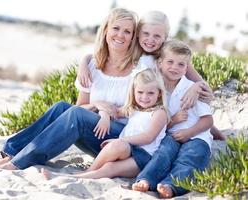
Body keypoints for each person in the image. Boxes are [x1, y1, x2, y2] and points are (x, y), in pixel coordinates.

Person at [0, 7, 142, 171]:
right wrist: (98, 105)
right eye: (116, 28)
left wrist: (109, 112)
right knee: (61, 107)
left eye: (127, 32)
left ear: (132, 38)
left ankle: (20, 162)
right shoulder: (93, 66)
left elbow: (141, 110)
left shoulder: (138, 69)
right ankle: (12, 153)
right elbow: (81, 106)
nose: (120, 35)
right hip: (96, 133)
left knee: (76, 115)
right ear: (106, 30)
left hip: (120, 140)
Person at [77, 10, 225, 140]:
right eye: (145, 34)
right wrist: (84, 62)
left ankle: (211, 129)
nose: (150, 40)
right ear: (137, 34)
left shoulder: (169, 53)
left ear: (165, 38)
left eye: (157, 36)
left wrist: (196, 88)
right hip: (155, 104)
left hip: (169, 102)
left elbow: (205, 89)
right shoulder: (136, 52)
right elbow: (101, 54)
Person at [44, 68, 169, 179]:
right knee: (118, 146)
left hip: (144, 157)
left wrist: (122, 140)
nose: (144, 97)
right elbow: (110, 111)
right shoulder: (133, 109)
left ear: (159, 94)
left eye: (150, 93)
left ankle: (80, 174)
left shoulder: (159, 113)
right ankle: (86, 171)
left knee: (110, 166)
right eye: (140, 92)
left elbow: (148, 137)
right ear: (134, 92)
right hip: (128, 149)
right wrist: (104, 117)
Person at [132, 40, 213, 198]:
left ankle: (171, 185)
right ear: (160, 63)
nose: (175, 67)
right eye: (170, 62)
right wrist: (173, 121)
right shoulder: (156, 89)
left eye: (181, 64)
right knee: (163, 153)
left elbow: (208, 121)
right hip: (171, 134)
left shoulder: (192, 88)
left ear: (187, 68)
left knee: (191, 157)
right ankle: (146, 180)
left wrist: (190, 132)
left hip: (197, 136)